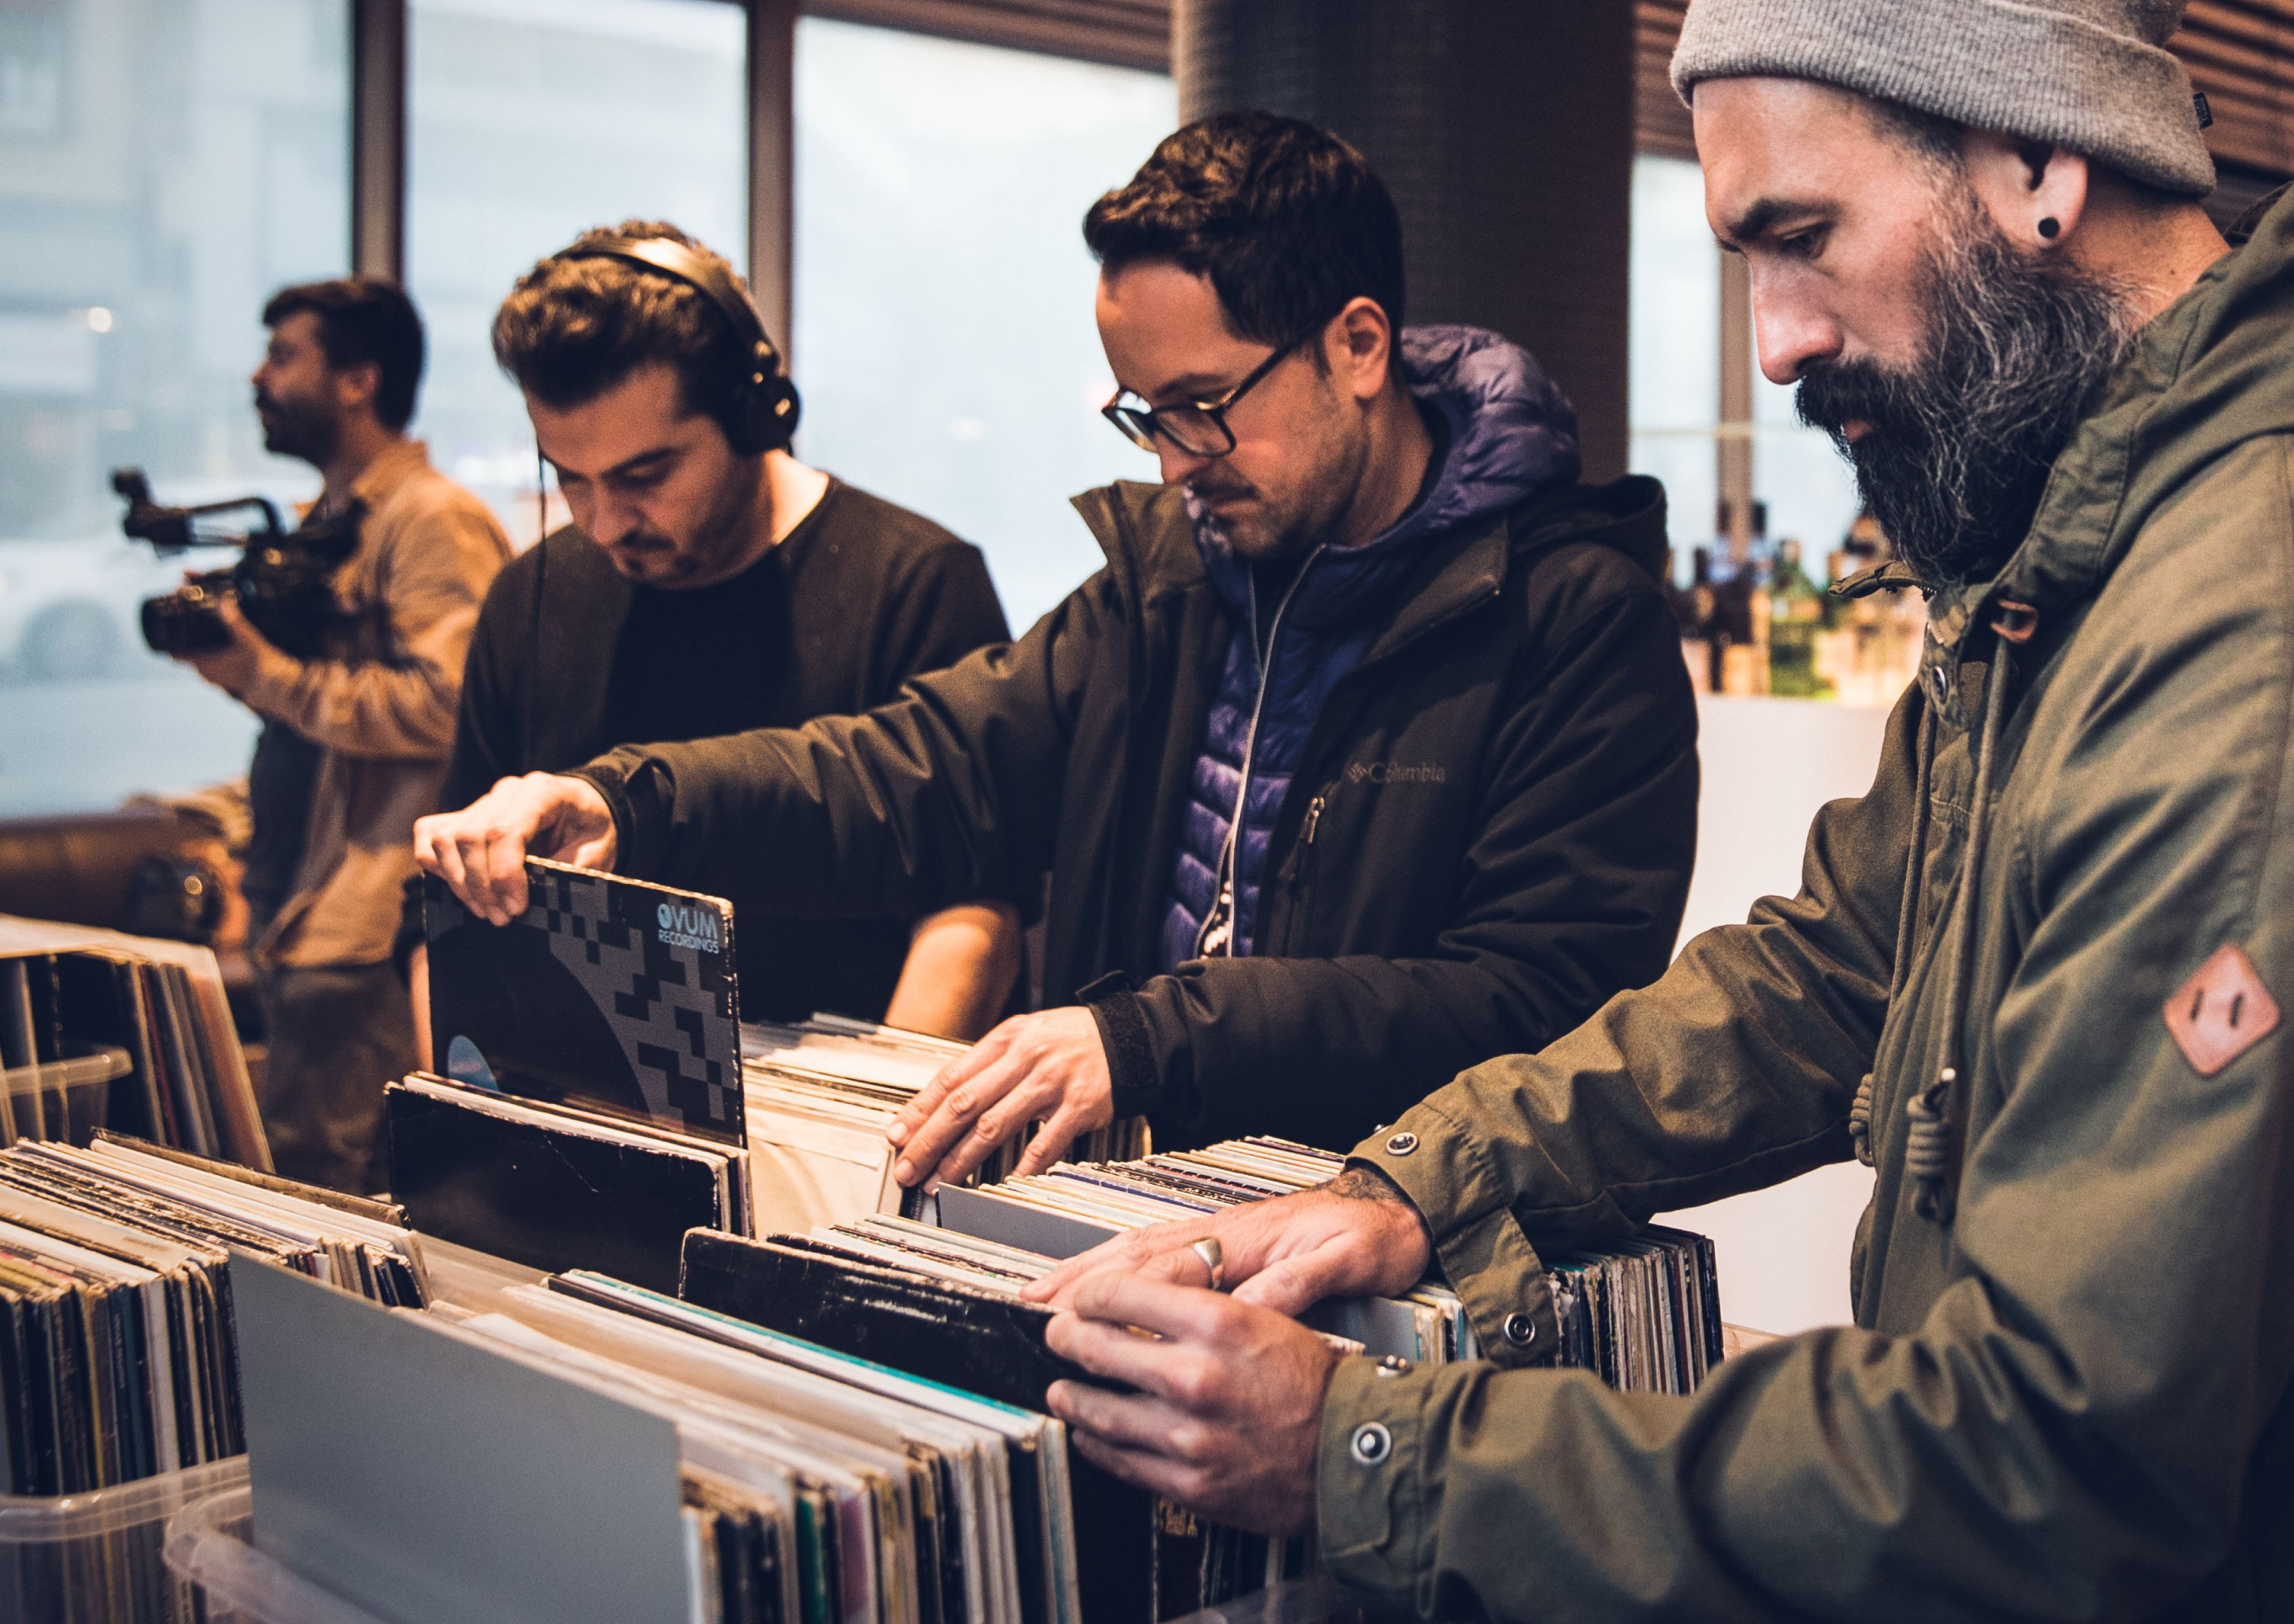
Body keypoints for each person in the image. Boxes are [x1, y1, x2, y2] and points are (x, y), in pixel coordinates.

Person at [1019, 0, 2294, 1622]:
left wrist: (1372, 1451)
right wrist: (1425, 1179)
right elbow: (1841, 965)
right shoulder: (2093, 543)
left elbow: (2055, 1452)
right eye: (1742, 261)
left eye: (1802, 237)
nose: (1773, 340)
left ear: (2037, 156)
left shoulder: (2269, 623)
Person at [417, 114, 1697, 1178]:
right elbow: (909, 767)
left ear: (1357, 346)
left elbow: (1535, 1002)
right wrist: (621, 801)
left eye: (1207, 408)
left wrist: (1151, 1037)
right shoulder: (1166, 588)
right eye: (1147, 413)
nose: (1175, 462)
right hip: (1130, 1228)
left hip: (1411, 1258)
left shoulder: (1574, 618)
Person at [422, 222, 1012, 1032]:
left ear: (754, 414)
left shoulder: (916, 581)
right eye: (571, 479)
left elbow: (974, 917)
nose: (602, 523)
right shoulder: (532, 593)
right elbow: (444, 906)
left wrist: (870, 1142)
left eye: (644, 475)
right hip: (588, 1116)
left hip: (840, 1124)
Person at [182, 278, 511, 1192]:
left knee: (346, 1193)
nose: (259, 377)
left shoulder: (430, 519)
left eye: (285, 356)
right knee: (304, 1171)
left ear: (359, 381)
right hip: (305, 905)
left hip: (369, 918)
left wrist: (265, 674)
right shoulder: (330, 525)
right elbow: (326, 714)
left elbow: (448, 708)